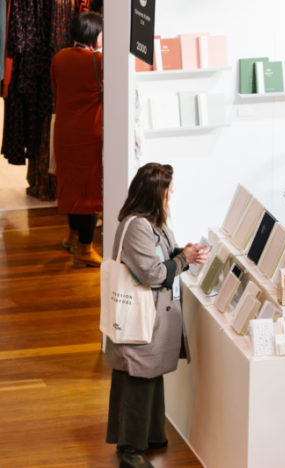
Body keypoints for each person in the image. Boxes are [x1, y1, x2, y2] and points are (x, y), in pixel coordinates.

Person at [104, 163, 209, 468]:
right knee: (138, 377)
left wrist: (183, 252)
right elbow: (153, 273)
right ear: (155, 193)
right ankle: (131, 451)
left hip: (151, 319)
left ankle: (149, 437)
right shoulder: (137, 225)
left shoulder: (153, 222)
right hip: (142, 317)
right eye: (168, 190)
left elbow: (161, 254)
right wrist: (184, 259)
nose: (171, 195)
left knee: (148, 376)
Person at [50, 11, 104, 267]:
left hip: (63, 130)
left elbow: (56, 88)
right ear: (94, 34)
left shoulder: (59, 57)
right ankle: (85, 248)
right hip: (88, 133)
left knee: (70, 184)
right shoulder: (98, 61)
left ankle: (72, 236)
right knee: (90, 192)